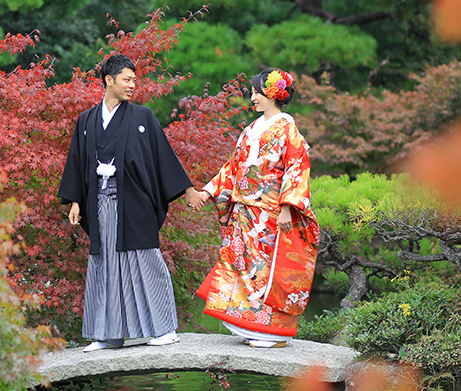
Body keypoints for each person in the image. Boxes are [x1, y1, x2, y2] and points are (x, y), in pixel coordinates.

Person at [58, 54, 201, 352]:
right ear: (108, 81)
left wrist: (187, 189)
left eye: (134, 80)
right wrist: (74, 202)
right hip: (99, 201)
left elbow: (163, 155)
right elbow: (75, 161)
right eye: (127, 79)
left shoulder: (142, 116)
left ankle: (163, 329)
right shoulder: (86, 120)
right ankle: (108, 333)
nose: (132, 85)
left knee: (146, 261)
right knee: (103, 263)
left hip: (134, 202)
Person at [190, 68, 320, 348]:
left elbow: (297, 168)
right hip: (245, 212)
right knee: (244, 268)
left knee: (268, 272)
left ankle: (274, 334)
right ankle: (252, 327)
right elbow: (233, 167)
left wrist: (287, 207)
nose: (252, 98)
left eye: (256, 93)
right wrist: (208, 192)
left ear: (272, 94)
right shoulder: (251, 128)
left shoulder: (287, 128)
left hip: (271, 213)